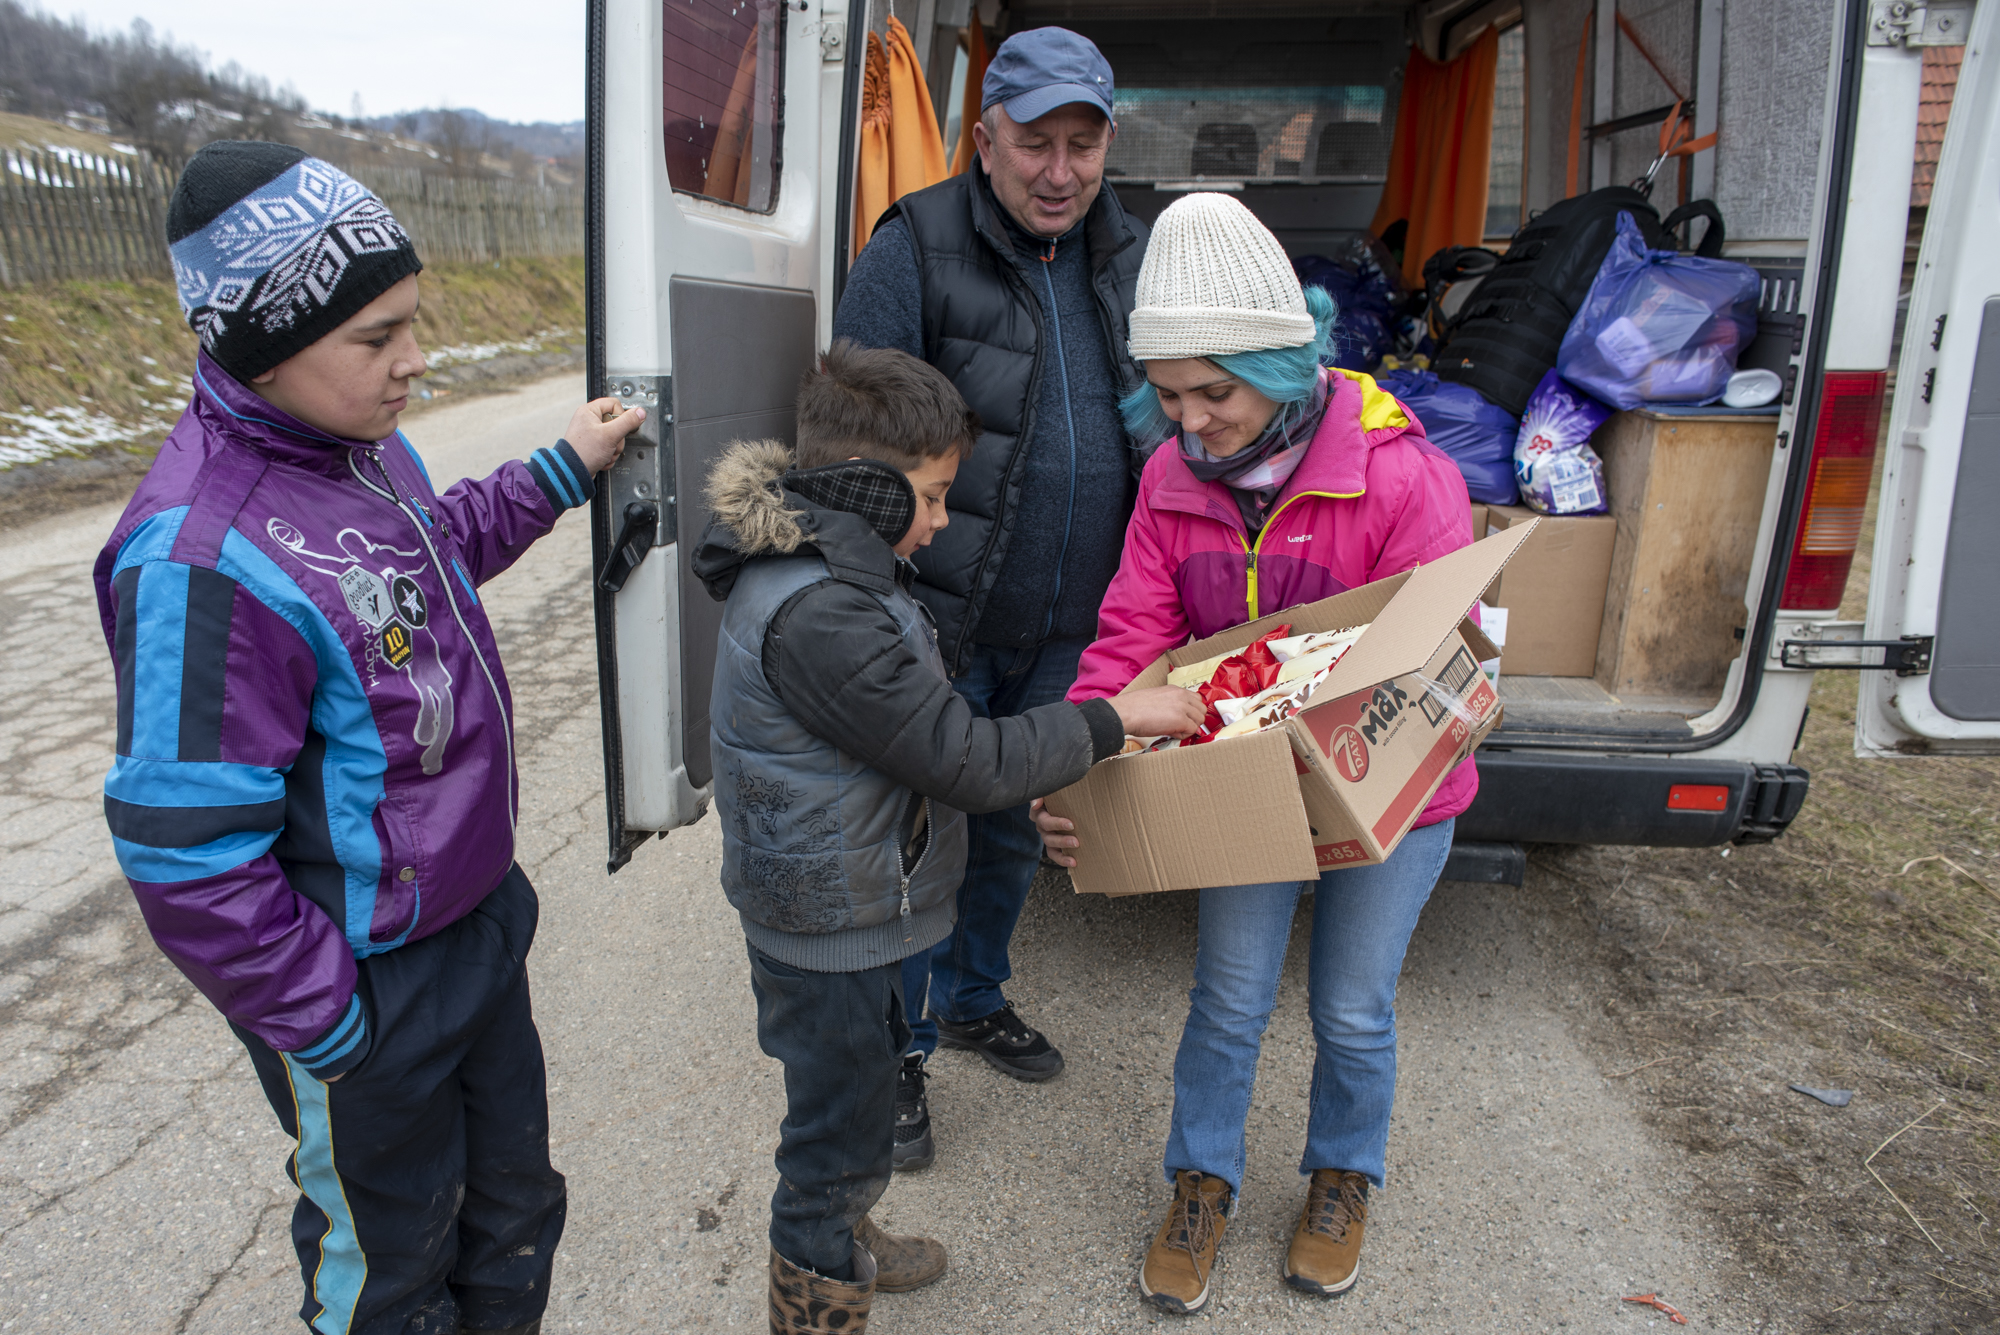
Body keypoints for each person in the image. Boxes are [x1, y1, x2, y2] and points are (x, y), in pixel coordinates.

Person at [93, 141, 645, 1335]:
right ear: (265, 344)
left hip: (471, 934)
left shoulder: (357, 450)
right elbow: (186, 855)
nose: (415, 361)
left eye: (413, 321)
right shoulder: (202, 560)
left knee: (510, 1218)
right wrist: (335, 1026)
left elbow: (425, 561)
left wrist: (560, 469)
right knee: (390, 1275)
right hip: (364, 984)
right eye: (375, 337)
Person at [691, 341, 1202, 1330]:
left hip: (854, 908)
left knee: (867, 1097)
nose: (938, 522)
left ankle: (842, 1232)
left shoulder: (836, 565)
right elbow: (963, 759)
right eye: (928, 498)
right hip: (827, 928)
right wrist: (1117, 720)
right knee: (831, 1140)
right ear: (869, 493)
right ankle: (818, 1289)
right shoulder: (820, 613)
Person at [1031, 193, 1479, 1314]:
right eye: (1167, 394)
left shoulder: (1399, 476)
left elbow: (1432, 658)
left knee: (1352, 1008)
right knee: (1228, 999)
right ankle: (1200, 1181)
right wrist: (1085, 758)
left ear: (1281, 365)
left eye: (1213, 392)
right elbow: (1132, 634)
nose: (1189, 421)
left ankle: (1340, 1177)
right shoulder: (1168, 482)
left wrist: (1321, 739)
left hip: (1389, 793)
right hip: (1244, 789)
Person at [832, 23, 1150, 1173]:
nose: (1058, 172)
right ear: (984, 138)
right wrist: (881, 611)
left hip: (1080, 620)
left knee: (1017, 833)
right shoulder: (913, 244)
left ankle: (971, 998)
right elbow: (858, 448)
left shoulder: (1128, 251)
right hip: (943, 616)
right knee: (918, 847)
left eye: (1082, 144)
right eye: (1034, 145)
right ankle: (900, 1052)